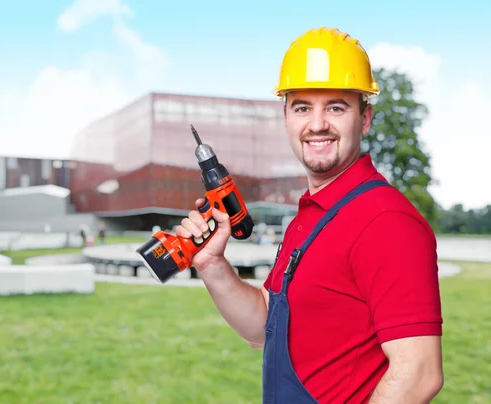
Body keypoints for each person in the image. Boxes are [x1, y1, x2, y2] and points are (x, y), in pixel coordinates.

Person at [175, 27, 443, 403]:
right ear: (285, 116)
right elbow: (262, 328)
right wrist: (212, 265)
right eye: (303, 107)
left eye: (336, 106)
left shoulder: (386, 222)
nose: (317, 124)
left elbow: (419, 374)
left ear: (364, 118)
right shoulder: (312, 215)